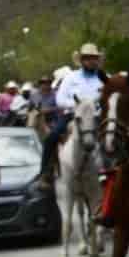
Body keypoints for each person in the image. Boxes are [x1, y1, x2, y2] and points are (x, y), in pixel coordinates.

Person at [41, 44, 105, 181]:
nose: (91, 61)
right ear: (81, 60)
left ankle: (115, 172)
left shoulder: (104, 78)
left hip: (97, 116)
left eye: (94, 58)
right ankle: (45, 173)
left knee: (115, 138)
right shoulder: (71, 77)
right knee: (51, 137)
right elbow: (60, 99)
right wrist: (78, 105)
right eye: (87, 58)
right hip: (72, 115)